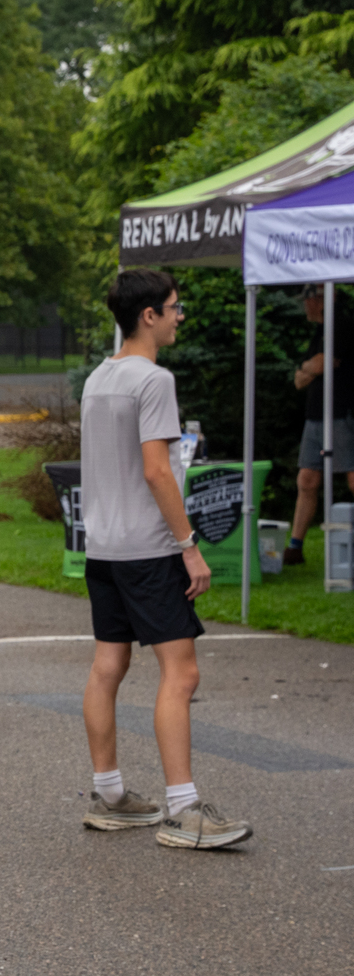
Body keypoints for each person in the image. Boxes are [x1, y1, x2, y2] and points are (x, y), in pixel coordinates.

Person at [78, 268, 251, 849]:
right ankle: (184, 810)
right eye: (175, 307)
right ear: (148, 315)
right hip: (148, 549)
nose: (180, 316)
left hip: (102, 547)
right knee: (183, 673)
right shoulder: (153, 380)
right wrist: (189, 546)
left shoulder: (99, 378)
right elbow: (156, 470)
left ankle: (110, 796)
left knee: (110, 666)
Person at [285, 284, 353, 565]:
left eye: (309, 299)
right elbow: (300, 378)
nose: (305, 306)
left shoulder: (342, 324)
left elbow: (323, 363)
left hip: (340, 412)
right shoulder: (319, 331)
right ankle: (295, 547)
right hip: (315, 416)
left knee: (351, 475)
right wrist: (309, 368)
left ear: (324, 298)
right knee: (307, 479)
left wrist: (311, 368)